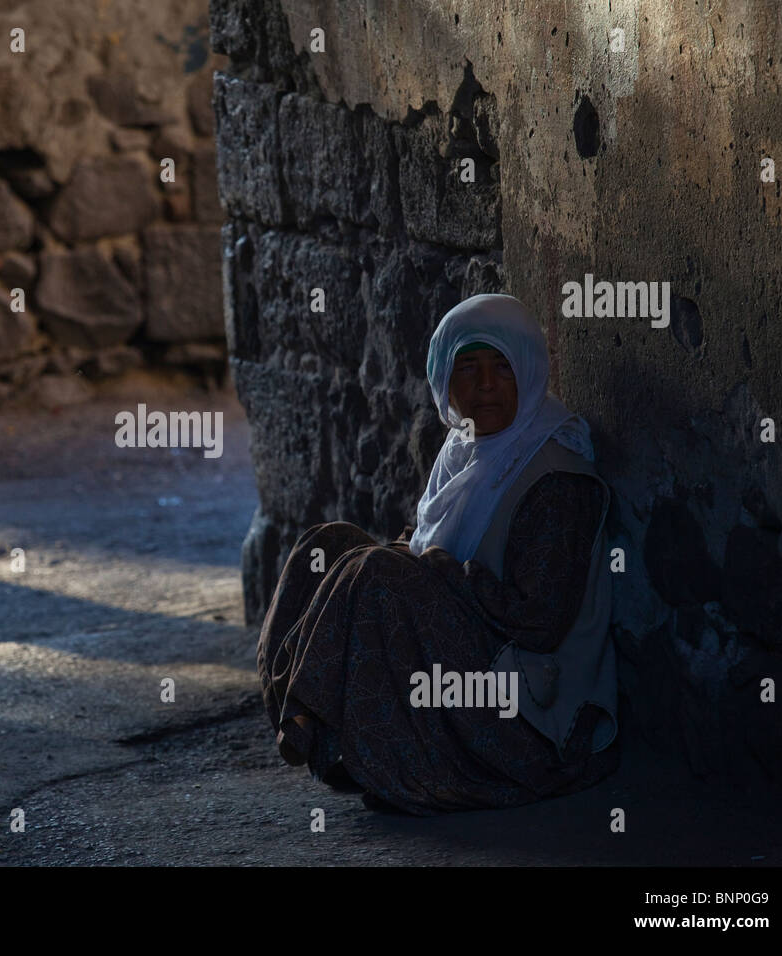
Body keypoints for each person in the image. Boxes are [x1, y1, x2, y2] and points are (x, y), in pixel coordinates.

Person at [256, 293, 619, 814]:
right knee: (327, 544)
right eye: (467, 369)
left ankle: (318, 718)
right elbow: (429, 541)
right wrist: (419, 566)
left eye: (503, 367)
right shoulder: (465, 451)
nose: (486, 385)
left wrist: (431, 573)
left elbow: (541, 622)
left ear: (531, 371)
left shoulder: (558, 477)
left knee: (379, 570)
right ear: (443, 379)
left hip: (532, 703)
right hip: (471, 647)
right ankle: (302, 710)